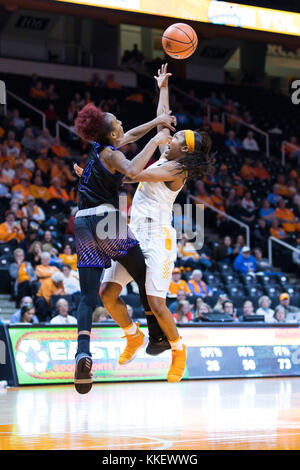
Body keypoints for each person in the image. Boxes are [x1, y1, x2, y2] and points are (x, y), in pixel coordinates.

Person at [77, 64, 213, 390]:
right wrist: (163, 87)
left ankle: (178, 350)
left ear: (184, 150)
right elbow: (164, 119)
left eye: (176, 137)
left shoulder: (176, 168)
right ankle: (133, 335)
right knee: (108, 294)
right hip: (133, 230)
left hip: (158, 237)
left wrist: (155, 138)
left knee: (156, 303)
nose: (171, 136)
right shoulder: (171, 154)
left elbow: (134, 174)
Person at [71, 81, 178, 393]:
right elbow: (132, 169)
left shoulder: (97, 149)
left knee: (89, 297)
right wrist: (158, 136)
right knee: (144, 271)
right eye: (116, 120)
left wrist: (157, 122)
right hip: (106, 219)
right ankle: (155, 335)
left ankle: (83, 351)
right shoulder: (112, 155)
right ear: (111, 133)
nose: (120, 122)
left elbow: (129, 136)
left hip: (83, 223)